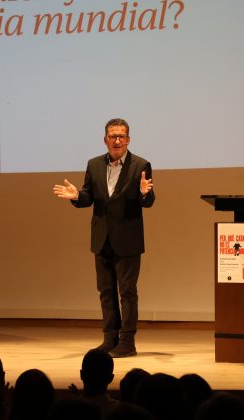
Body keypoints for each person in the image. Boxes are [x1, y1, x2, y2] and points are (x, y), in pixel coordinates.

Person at [53, 118, 155, 358]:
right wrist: (76, 196)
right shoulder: (94, 164)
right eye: (112, 136)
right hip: (101, 239)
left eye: (121, 136)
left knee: (127, 293)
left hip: (128, 240)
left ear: (128, 140)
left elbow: (148, 201)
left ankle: (127, 342)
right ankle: (110, 339)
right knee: (106, 292)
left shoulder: (141, 165)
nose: (117, 140)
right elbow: (88, 198)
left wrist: (144, 193)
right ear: (105, 140)